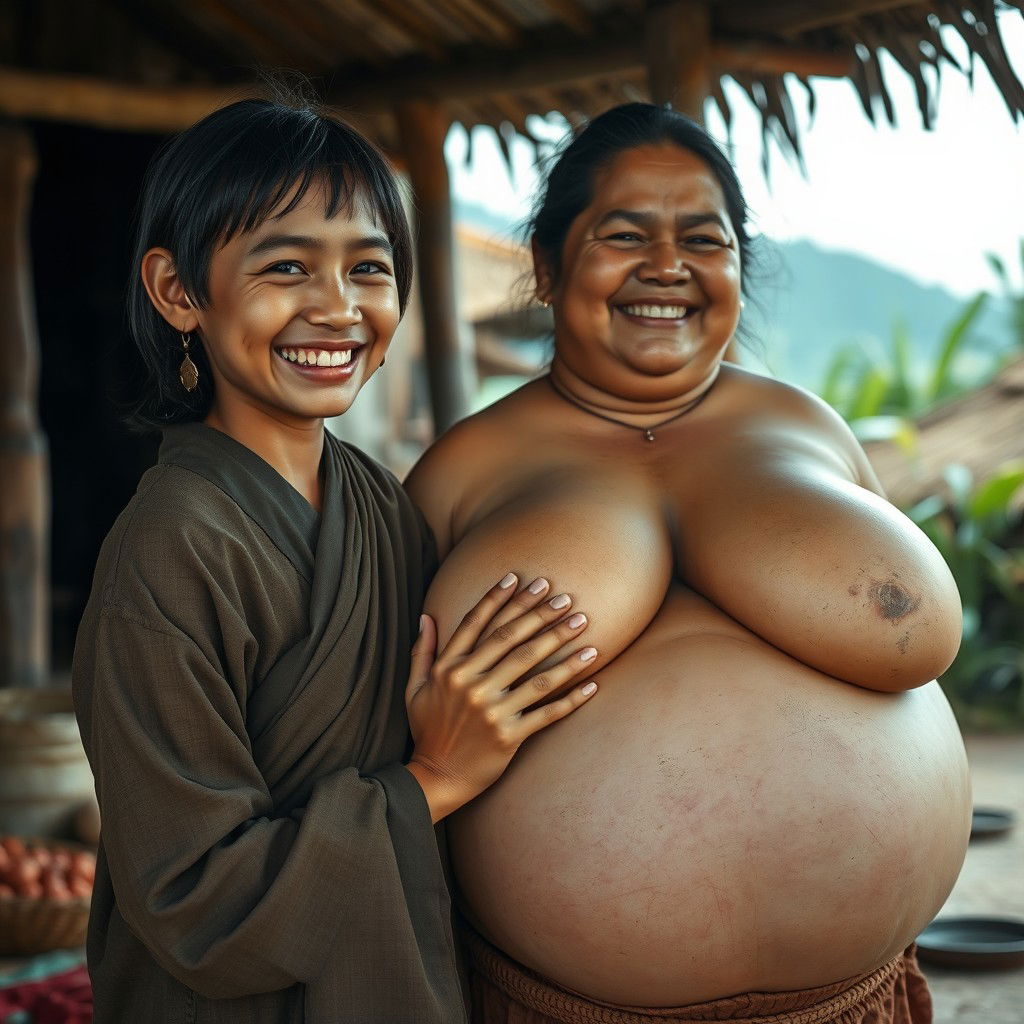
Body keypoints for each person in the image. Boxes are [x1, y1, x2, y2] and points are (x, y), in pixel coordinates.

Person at [404, 103, 971, 1024]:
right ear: (547, 267)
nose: (668, 266)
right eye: (625, 235)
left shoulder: (811, 429)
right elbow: (380, 726)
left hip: (849, 998)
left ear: (739, 271)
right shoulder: (461, 473)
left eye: (702, 240)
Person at [71, 97, 600, 1024]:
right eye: (286, 267)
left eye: (369, 267)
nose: (338, 308)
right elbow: (196, 901)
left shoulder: (379, 506)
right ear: (177, 291)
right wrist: (435, 779)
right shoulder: (168, 549)